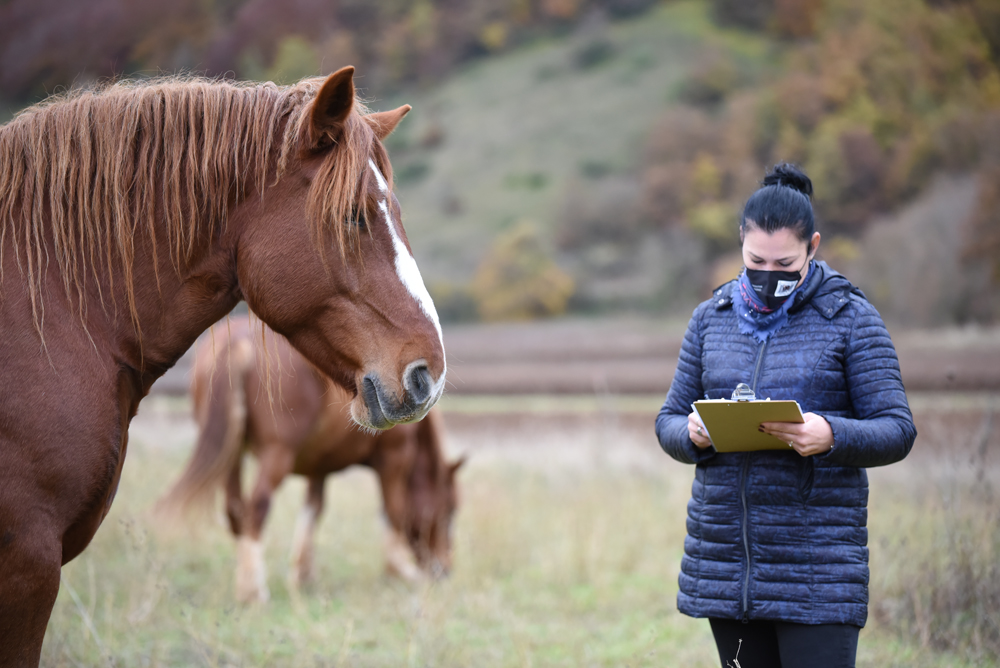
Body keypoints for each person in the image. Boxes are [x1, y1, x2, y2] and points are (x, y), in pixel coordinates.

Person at [655, 163, 916, 668]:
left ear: (813, 247)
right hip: (728, 570)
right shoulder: (710, 319)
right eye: (756, 259)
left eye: (785, 263)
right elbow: (667, 418)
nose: (768, 274)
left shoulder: (851, 318)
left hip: (818, 576)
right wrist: (691, 434)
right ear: (740, 243)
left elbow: (898, 429)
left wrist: (831, 434)